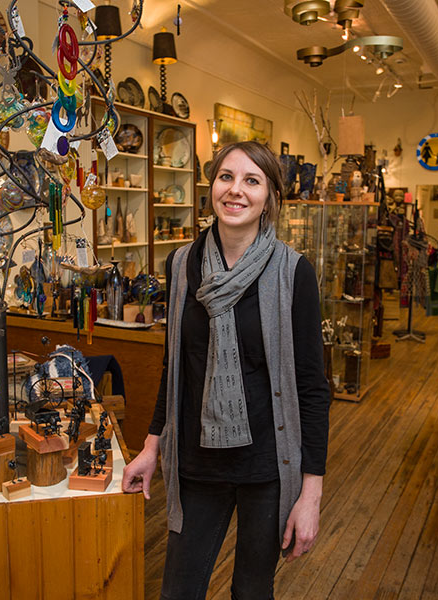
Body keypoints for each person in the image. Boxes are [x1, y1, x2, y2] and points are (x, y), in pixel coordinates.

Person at [122, 141, 331, 599]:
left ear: (269, 196)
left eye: (251, 180)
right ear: (211, 186)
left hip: (266, 466)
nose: (236, 191)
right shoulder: (181, 265)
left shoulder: (293, 272)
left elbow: (313, 388)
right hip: (197, 463)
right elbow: (174, 367)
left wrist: (310, 493)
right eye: (226, 177)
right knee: (178, 591)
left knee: (251, 593)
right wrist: (151, 446)